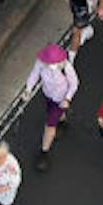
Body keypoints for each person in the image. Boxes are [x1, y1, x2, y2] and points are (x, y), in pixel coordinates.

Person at [25, 43, 77, 171]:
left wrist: (67, 99)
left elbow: (74, 83)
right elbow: (34, 75)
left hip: (61, 98)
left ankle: (44, 153)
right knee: (55, 114)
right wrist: (28, 90)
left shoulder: (66, 67)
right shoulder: (41, 63)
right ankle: (63, 121)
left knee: (50, 125)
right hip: (48, 95)